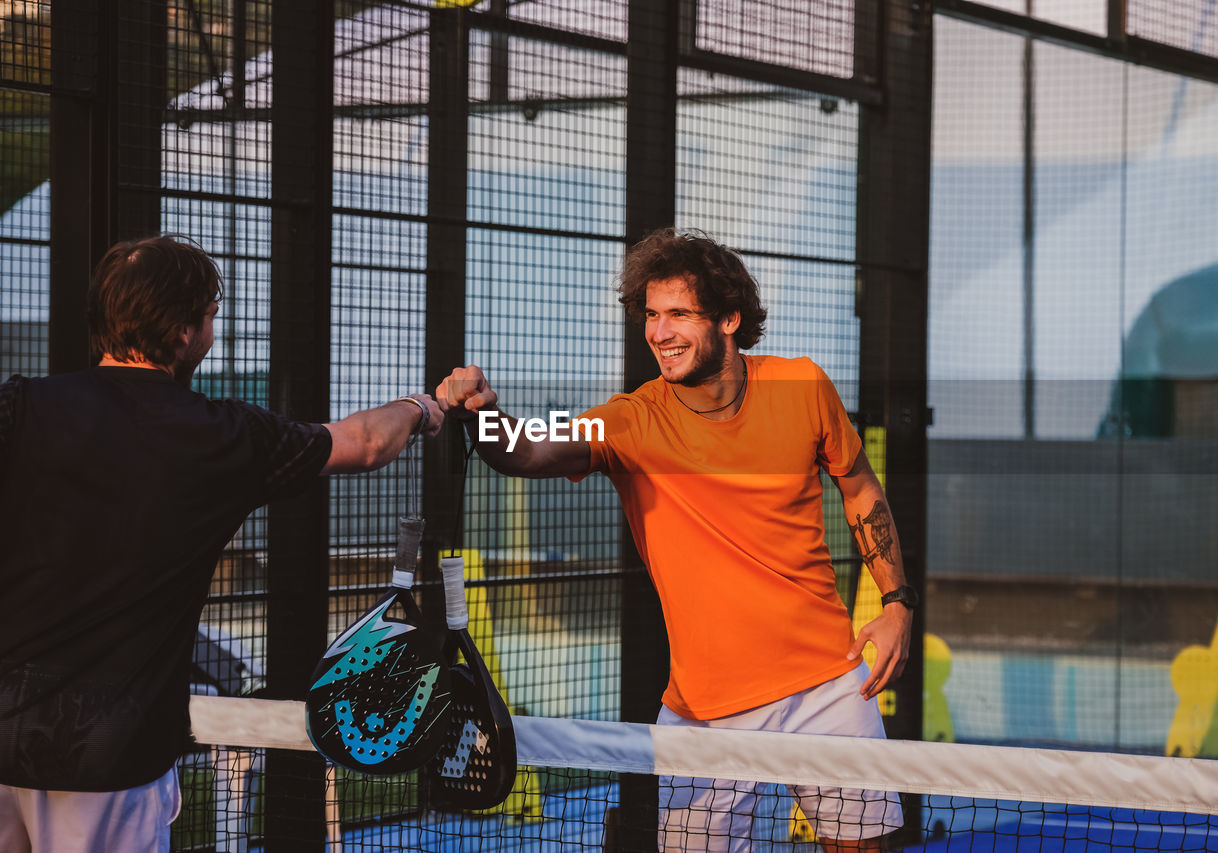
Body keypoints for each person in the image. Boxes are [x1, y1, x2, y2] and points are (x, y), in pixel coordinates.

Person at [435, 228, 913, 852]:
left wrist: (896, 600)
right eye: (652, 316)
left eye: (680, 314)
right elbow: (527, 447)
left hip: (828, 684)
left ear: (730, 318)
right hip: (703, 709)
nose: (660, 332)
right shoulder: (631, 419)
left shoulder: (803, 385)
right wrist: (483, 414)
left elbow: (859, 485)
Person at [0, 234, 444, 853]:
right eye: (209, 316)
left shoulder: (19, 406)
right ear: (181, 333)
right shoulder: (223, 436)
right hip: (107, 760)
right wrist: (426, 405)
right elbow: (366, 443)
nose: (212, 331)